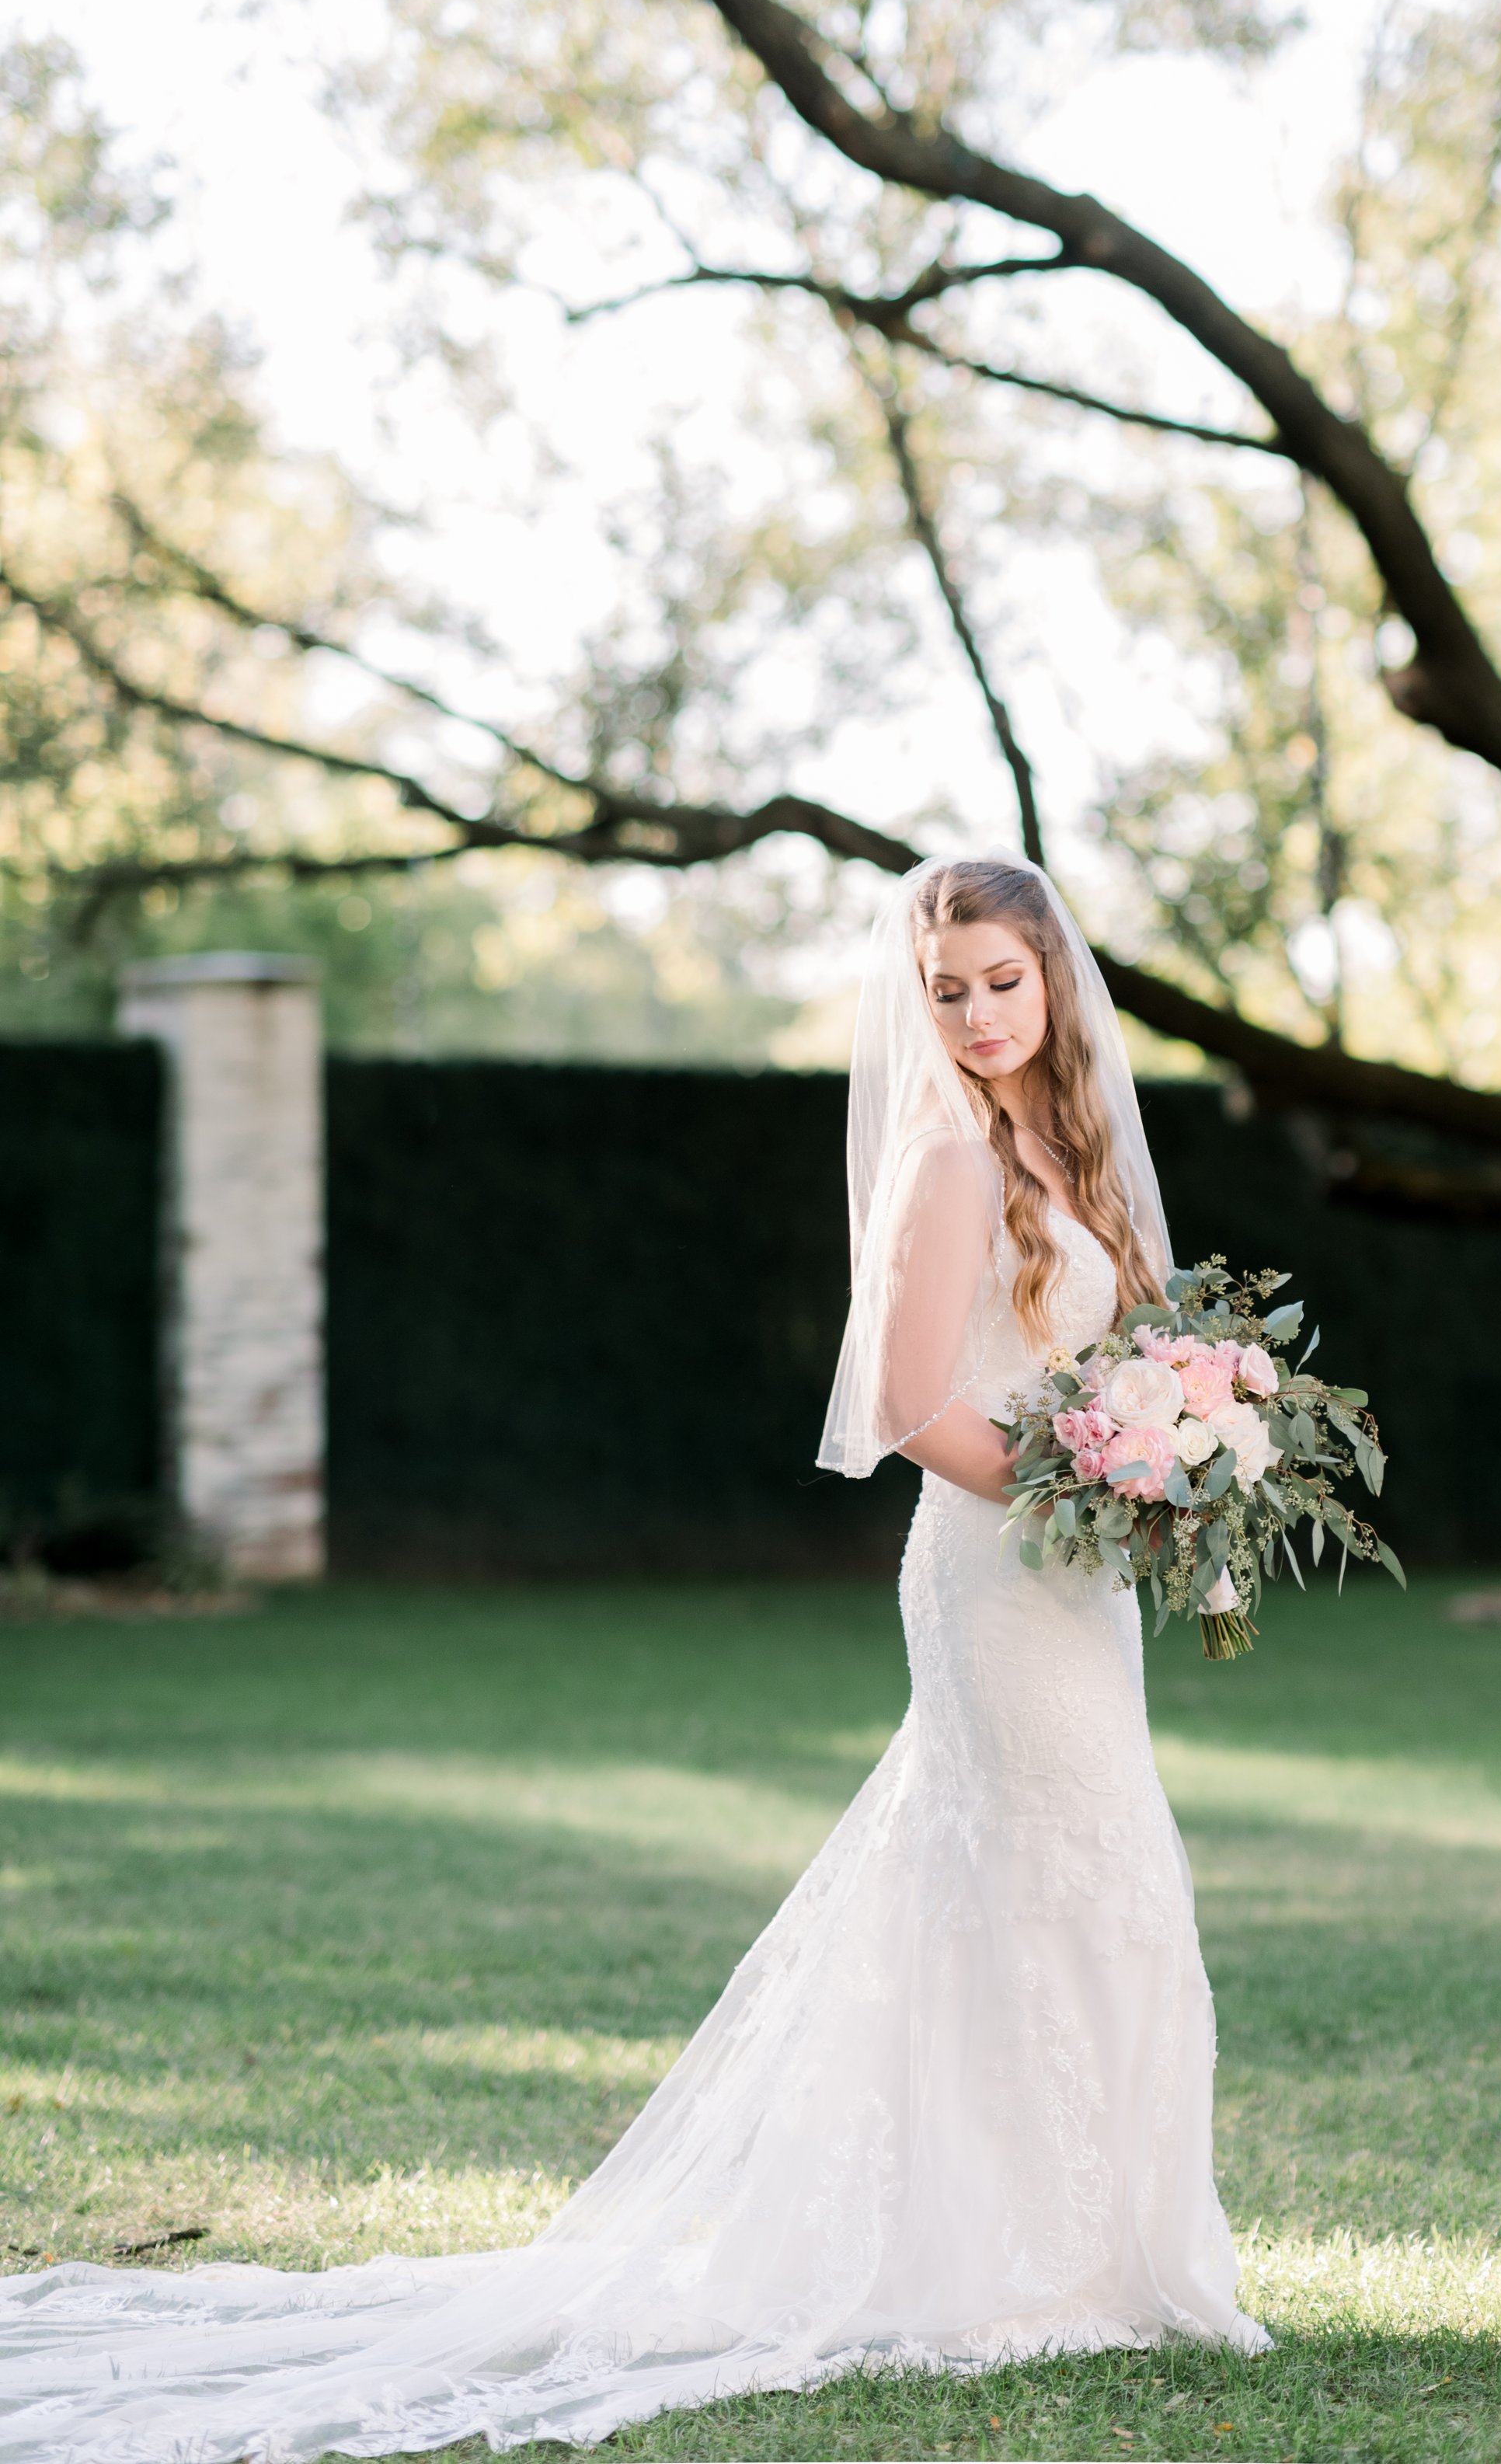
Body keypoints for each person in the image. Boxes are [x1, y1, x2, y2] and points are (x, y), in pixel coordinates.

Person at [0, 853, 1268, 2463]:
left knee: (1096, 1879)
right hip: (996, 1570)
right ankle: (1005, 2258)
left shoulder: (1066, 1142)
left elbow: (1119, 1359)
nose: (971, 1013)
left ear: (1053, 981)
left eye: (998, 982)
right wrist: (1081, 1475)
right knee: (1032, 1877)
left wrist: (1182, 1437)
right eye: (943, 988)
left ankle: (1104, 2240)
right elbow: (904, 1405)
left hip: (1083, 1584)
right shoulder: (946, 1160)